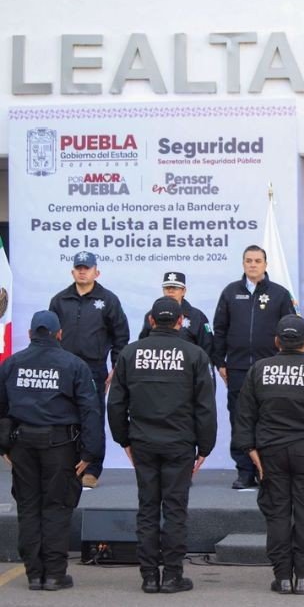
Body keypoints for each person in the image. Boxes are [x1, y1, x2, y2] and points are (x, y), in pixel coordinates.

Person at [108, 297, 217, 594]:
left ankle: (148, 577)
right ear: (181, 321)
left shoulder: (130, 353)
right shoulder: (194, 354)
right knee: (175, 509)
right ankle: (171, 575)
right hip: (179, 444)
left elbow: (116, 403)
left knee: (147, 508)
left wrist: (124, 440)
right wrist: (205, 448)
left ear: (151, 321)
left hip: (143, 442)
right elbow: (205, 407)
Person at [233, 314, 304, 595]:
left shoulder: (259, 369)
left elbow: (244, 416)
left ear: (276, 341)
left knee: (277, 514)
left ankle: (283, 577)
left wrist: (251, 452)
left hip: (270, 452)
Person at [0, 310, 102, 591]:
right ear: (59, 334)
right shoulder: (74, 365)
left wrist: (4, 446)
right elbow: (90, 410)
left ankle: (34, 574)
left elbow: (1, 407)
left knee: (28, 507)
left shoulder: (11, 364)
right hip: (60, 447)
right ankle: (55, 574)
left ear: (31, 334)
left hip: (23, 446)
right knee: (56, 507)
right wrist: (90, 454)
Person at [212, 245, 296, 489]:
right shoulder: (230, 292)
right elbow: (220, 329)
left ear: (265, 264)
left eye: (258, 260)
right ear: (243, 264)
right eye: (248, 260)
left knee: (269, 419)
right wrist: (220, 362)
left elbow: (290, 331)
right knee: (241, 419)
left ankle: (267, 471)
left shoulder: (279, 294)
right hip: (237, 369)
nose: (253, 264)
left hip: (269, 369)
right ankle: (245, 471)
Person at [49, 250, 129, 488]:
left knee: (92, 418)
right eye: (79, 267)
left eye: (87, 267)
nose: (83, 271)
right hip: (63, 369)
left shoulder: (109, 300)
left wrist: (116, 367)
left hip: (94, 369)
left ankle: (92, 469)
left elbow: (121, 336)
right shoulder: (59, 300)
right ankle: (68, 466)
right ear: (72, 271)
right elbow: (50, 334)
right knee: (63, 417)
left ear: (97, 271)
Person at [138, 272, 213, 357]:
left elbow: (208, 346)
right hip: (157, 366)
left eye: (175, 288)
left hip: (188, 367)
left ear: (183, 291)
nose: (170, 291)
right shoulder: (152, 314)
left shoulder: (198, 316)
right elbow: (143, 344)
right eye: (167, 288)